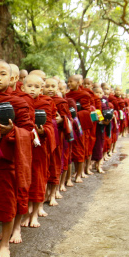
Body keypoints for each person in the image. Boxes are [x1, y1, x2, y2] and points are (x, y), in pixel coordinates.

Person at [0, 59, 33, 256]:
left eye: (2, 74)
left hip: (7, 160)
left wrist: (13, 130)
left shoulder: (19, 102)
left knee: (7, 203)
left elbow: (28, 131)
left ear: (12, 78)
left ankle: (5, 245)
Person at [19, 74, 54, 228]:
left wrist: (42, 131)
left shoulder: (46, 102)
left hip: (40, 148)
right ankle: (26, 214)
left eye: (36, 87)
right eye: (29, 86)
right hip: (24, 146)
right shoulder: (19, 101)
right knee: (25, 181)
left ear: (41, 89)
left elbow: (50, 125)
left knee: (38, 180)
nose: (32, 89)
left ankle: (34, 216)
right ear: (22, 87)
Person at [44, 78, 70, 206]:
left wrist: (61, 120)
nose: (49, 88)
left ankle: (53, 194)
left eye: (52, 86)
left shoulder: (61, 102)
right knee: (45, 166)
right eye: (47, 86)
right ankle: (45, 194)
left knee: (55, 165)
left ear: (57, 88)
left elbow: (68, 118)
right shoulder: (41, 101)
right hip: (44, 137)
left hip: (58, 137)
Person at [66, 75, 92, 183]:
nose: (69, 83)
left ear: (78, 83)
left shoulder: (84, 95)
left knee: (80, 149)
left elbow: (87, 111)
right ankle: (75, 172)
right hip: (71, 124)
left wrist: (75, 115)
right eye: (68, 81)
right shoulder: (67, 95)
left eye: (71, 81)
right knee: (72, 150)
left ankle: (79, 174)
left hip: (80, 124)